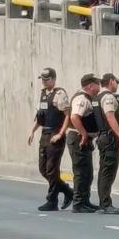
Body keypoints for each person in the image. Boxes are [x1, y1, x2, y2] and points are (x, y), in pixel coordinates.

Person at [28, 68, 74, 211]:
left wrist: (60, 133)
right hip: (45, 133)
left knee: (52, 170)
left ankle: (52, 200)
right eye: (43, 79)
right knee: (43, 169)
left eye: (47, 79)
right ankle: (67, 190)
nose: (44, 82)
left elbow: (67, 115)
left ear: (54, 79)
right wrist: (32, 131)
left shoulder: (59, 94)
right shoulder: (43, 94)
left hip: (55, 133)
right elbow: (40, 116)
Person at [92, 73, 119, 215]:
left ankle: (103, 202)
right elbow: (110, 116)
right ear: (111, 81)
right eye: (116, 82)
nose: (117, 85)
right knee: (108, 171)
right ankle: (106, 204)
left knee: (104, 171)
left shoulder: (97, 97)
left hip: (102, 137)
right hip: (109, 138)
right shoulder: (108, 97)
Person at [68, 74, 102, 213]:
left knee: (87, 173)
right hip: (78, 139)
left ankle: (85, 201)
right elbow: (74, 117)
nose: (99, 87)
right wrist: (84, 134)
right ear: (90, 86)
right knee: (81, 172)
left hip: (83, 139)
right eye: (97, 84)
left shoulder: (88, 98)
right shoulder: (81, 98)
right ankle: (78, 203)